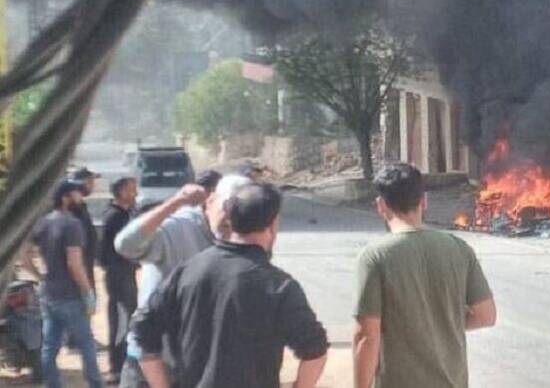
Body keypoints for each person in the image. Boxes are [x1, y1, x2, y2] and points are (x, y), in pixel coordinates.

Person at [130, 183, 328, 388]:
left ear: (229, 220)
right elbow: (315, 350)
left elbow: (142, 329)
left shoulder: (186, 272)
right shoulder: (279, 286)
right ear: (273, 224)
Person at [353, 163, 497, 388]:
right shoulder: (459, 248)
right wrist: (442, 324)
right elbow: (486, 315)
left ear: (381, 206)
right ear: (424, 201)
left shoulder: (375, 257)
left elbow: (367, 337)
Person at [114, 172, 246, 387]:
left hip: (195, 365)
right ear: (210, 201)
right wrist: (176, 202)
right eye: (227, 211)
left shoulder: (239, 240)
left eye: (240, 216)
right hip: (151, 361)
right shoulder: (178, 228)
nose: (231, 223)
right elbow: (126, 245)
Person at [21, 180, 103, 388]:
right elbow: (74, 263)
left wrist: (39, 275)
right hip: (71, 294)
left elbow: (24, 255)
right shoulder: (72, 224)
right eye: (76, 194)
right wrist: (87, 290)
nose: (80, 197)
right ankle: (95, 383)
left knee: (50, 344)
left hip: (48, 292)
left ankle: (52, 384)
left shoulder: (44, 222)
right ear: (66, 198)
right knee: (86, 342)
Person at [99, 177, 139, 385]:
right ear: (122, 192)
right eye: (132, 190)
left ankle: (120, 364)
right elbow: (116, 249)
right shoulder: (116, 217)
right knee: (123, 320)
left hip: (122, 273)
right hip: (119, 274)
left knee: (123, 318)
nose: (136, 194)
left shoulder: (121, 214)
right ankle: (117, 367)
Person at [69, 166, 101, 290]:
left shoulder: (81, 207)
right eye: (89, 182)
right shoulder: (73, 209)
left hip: (86, 264)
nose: (92, 185)